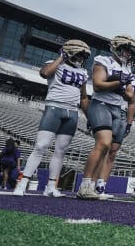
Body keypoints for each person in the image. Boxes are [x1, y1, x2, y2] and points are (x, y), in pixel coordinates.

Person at [14, 39, 90, 197]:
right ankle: (22, 183)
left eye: (83, 55)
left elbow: (83, 97)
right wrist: (61, 57)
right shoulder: (54, 63)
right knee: (41, 146)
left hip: (72, 112)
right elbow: (45, 73)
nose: (81, 58)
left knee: (61, 150)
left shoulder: (83, 72)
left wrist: (89, 117)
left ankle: (50, 186)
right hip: (54, 107)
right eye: (78, 54)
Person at [77, 35, 135, 200]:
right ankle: (84, 186)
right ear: (116, 48)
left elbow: (129, 97)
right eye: (125, 49)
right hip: (101, 104)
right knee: (103, 143)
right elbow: (97, 85)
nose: (127, 54)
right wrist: (119, 83)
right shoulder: (103, 61)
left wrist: (119, 85)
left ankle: (94, 188)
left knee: (108, 149)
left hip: (118, 109)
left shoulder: (128, 71)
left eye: (130, 51)